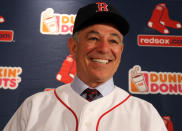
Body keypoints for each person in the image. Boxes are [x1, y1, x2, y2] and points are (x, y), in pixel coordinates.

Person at [3, 2, 167, 131]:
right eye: (94, 38)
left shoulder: (145, 114)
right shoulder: (33, 108)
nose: (103, 48)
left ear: (121, 51)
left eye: (113, 40)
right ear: (74, 47)